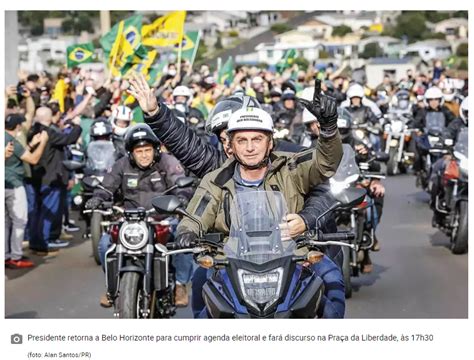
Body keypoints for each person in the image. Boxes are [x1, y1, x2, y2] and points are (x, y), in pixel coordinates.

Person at [176, 81, 346, 318]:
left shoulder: (292, 165)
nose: (250, 147)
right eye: (242, 141)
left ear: (270, 142)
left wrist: (328, 128)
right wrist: (187, 232)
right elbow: (196, 214)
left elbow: (326, 163)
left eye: (257, 139)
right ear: (231, 145)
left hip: (295, 257)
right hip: (229, 263)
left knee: (332, 282)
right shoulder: (215, 179)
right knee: (201, 293)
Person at [85, 124, 193, 307]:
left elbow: (180, 183)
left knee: (183, 243)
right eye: (139, 151)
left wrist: (182, 198)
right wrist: (98, 198)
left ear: (155, 150)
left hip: (162, 219)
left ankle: (180, 285)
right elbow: (107, 185)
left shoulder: (167, 162)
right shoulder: (122, 165)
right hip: (130, 221)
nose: (144, 155)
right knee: (104, 245)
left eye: (147, 150)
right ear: (131, 153)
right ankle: (113, 286)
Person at [27, 107, 82, 254]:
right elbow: (69, 139)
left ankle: (35, 242)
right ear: (50, 118)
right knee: (47, 212)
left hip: (35, 177)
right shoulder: (49, 133)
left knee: (36, 212)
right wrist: (77, 125)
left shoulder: (32, 131)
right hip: (49, 178)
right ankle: (42, 243)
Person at [5, 114, 49, 266]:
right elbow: (33, 159)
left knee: (5, 223)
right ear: (17, 126)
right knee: (19, 221)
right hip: (14, 186)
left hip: (5, 185)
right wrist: (42, 142)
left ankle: (5, 256)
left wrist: (31, 144)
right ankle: (15, 257)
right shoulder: (12, 141)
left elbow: (19, 155)